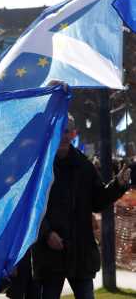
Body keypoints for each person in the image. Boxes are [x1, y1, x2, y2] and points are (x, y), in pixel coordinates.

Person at [32, 114, 131, 299]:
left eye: (67, 131)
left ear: (74, 134)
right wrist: (47, 233)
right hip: (50, 254)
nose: (63, 136)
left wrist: (118, 185)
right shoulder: (41, 167)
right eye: (59, 131)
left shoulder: (84, 166)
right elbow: (33, 209)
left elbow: (98, 201)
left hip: (80, 253)